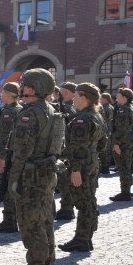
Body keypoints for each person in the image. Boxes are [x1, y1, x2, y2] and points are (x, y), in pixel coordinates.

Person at [1, 68, 65, 265]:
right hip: (46, 173)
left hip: (30, 176)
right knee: (45, 219)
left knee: (31, 224)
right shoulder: (50, 110)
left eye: (24, 84)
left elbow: (21, 151)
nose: (21, 87)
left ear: (32, 88)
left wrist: (13, 179)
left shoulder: (29, 114)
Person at [58, 83, 106, 253]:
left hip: (82, 164)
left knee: (83, 202)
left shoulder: (82, 119)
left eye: (76, 95)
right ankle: (86, 237)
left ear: (85, 97)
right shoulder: (96, 115)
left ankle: (82, 239)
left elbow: (77, 146)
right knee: (89, 199)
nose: (73, 98)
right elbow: (103, 143)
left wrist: (76, 169)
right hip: (92, 160)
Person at [0, 82, 22, 234]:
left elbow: (5, 138)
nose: (1, 95)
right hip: (15, 155)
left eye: (3, 93)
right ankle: (11, 219)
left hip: (8, 155)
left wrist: (1, 157)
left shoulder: (9, 112)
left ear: (9, 94)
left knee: (7, 186)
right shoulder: (19, 109)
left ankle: (9, 221)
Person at [55, 82, 78, 220]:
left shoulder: (69, 108)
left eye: (60, 92)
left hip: (67, 150)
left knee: (65, 181)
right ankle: (66, 207)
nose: (57, 95)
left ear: (67, 93)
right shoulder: (67, 107)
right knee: (63, 181)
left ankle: (67, 208)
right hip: (64, 148)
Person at [112, 88, 133, 201]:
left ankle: (125, 193)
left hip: (123, 142)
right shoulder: (129, 108)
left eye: (118, 95)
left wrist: (116, 143)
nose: (116, 97)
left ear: (124, 97)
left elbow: (121, 129)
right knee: (127, 166)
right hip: (129, 141)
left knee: (123, 167)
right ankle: (127, 191)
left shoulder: (123, 110)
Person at [98, 92, 114, 175]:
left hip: (106, 129)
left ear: (105, 99)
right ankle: (106, 167)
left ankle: (105, 167)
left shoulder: (106, 108)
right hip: (108, 129)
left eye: (102, 98)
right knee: (106, 149)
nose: (100, 99)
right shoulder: (109, 107)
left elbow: (105, 120)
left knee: (104, 149)